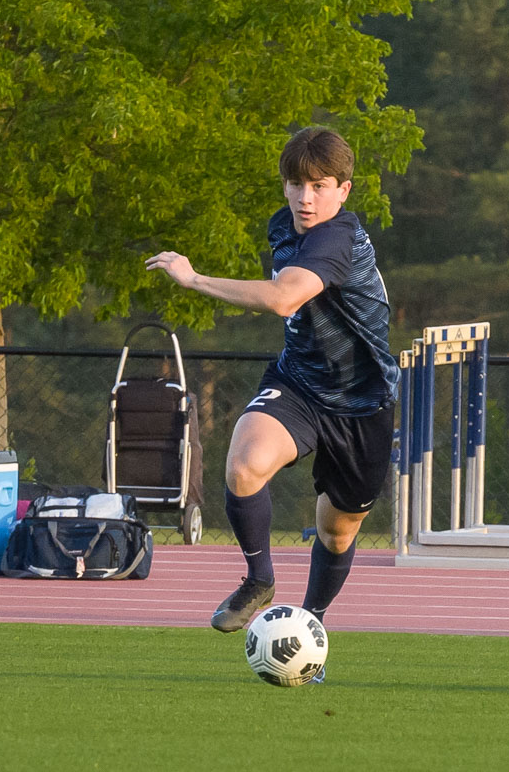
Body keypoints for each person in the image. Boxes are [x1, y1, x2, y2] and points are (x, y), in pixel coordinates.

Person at [147, 127, 399, 651]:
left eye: (320, 186)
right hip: (300, 381)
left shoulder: (337, 239)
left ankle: (311, 625)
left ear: (344, 190)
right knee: (244, 464)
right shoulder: (283, 226)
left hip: (362, 402)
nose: (306, 198)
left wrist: (194, 280)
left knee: (337, 533)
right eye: (295, 184)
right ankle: (259, 579)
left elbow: (286, 299)